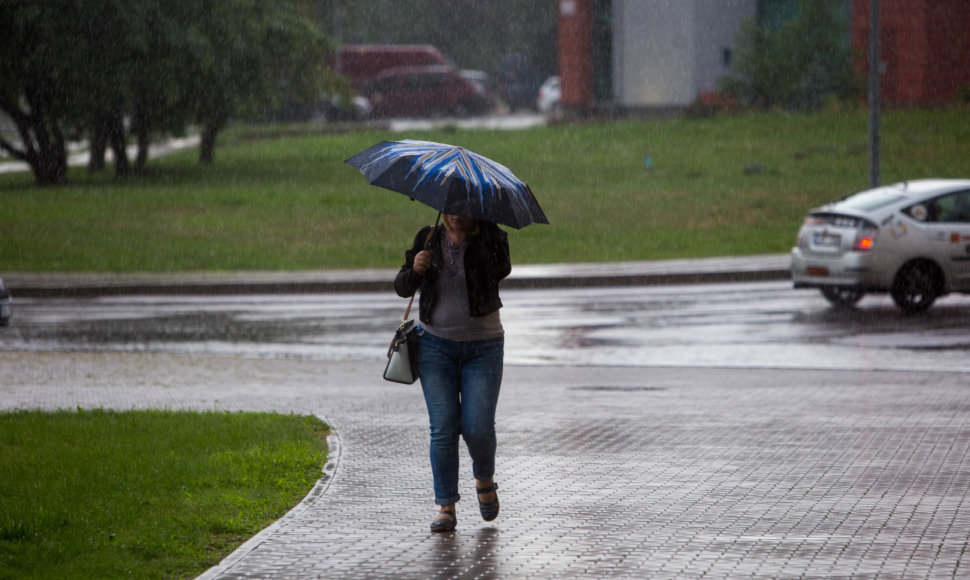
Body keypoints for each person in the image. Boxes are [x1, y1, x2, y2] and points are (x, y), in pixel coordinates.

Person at [394, 213, 511, 532]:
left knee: (478, 426)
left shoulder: (492, 237)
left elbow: (499, 271)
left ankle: (484, 479)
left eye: (464, 208)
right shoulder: (428, 238)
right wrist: (416, 268)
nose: (457, 215)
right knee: (443, 427)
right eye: (451, 208)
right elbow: (402, 287)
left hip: (483, 347)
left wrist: (478, 238)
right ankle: (446, 506)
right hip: (435, 347)